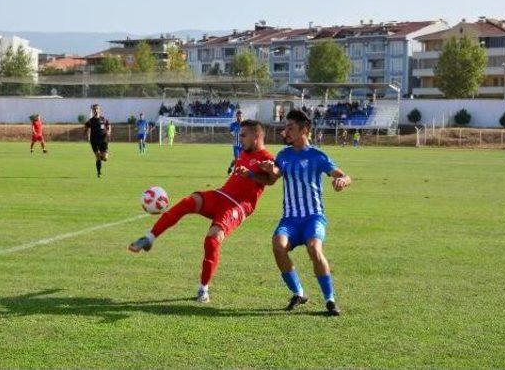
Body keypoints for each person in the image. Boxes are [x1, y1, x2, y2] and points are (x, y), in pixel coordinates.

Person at [128, 120, 274, 303]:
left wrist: (253, 174)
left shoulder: (267, 157)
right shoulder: (244, 153)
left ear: (257, 136)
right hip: (221, 194)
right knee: (188, 202)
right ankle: (149, 238)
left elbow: (271, 179)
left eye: (244, 135)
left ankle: (203, 288)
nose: (240, 138)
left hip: (238, 206)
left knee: (211, 241)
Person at [259, 109, 352, 316]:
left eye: (290, 128)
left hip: (313, 217)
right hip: (290, 219)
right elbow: (274, 176)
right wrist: (268, 169)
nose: (286, 132)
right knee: (278, 245)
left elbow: (342, 174)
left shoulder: (317, 156)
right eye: (286, 128)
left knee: (314, 249)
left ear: (304, 130)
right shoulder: (283, 155)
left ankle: (330, 300)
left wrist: (342, 180)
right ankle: (299, 292)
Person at [84, 104, 111, 178]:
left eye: (97, 109)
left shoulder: (104, 119)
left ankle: (102, 157)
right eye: (94, 109)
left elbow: (108, 126)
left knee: (105, 158)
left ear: (99, 110)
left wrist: (108, 131)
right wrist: (87, 134)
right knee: (98, 156)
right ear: (92, 111)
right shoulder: (91, 121)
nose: (96, 110)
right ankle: (99, 172)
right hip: (94, 141)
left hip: (103, 140)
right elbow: (86, 127)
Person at [227, 110, 243, 174]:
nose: (239, 117)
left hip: (243, 146)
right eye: (238, 115)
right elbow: (231, 132)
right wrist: (235, 133)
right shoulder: (233, 124)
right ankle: (235, 172)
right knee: (237, 158)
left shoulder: (244, 125)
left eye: (240, 116)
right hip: (236, 145)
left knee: (240, 159)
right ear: (236, 116)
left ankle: (230, 167)